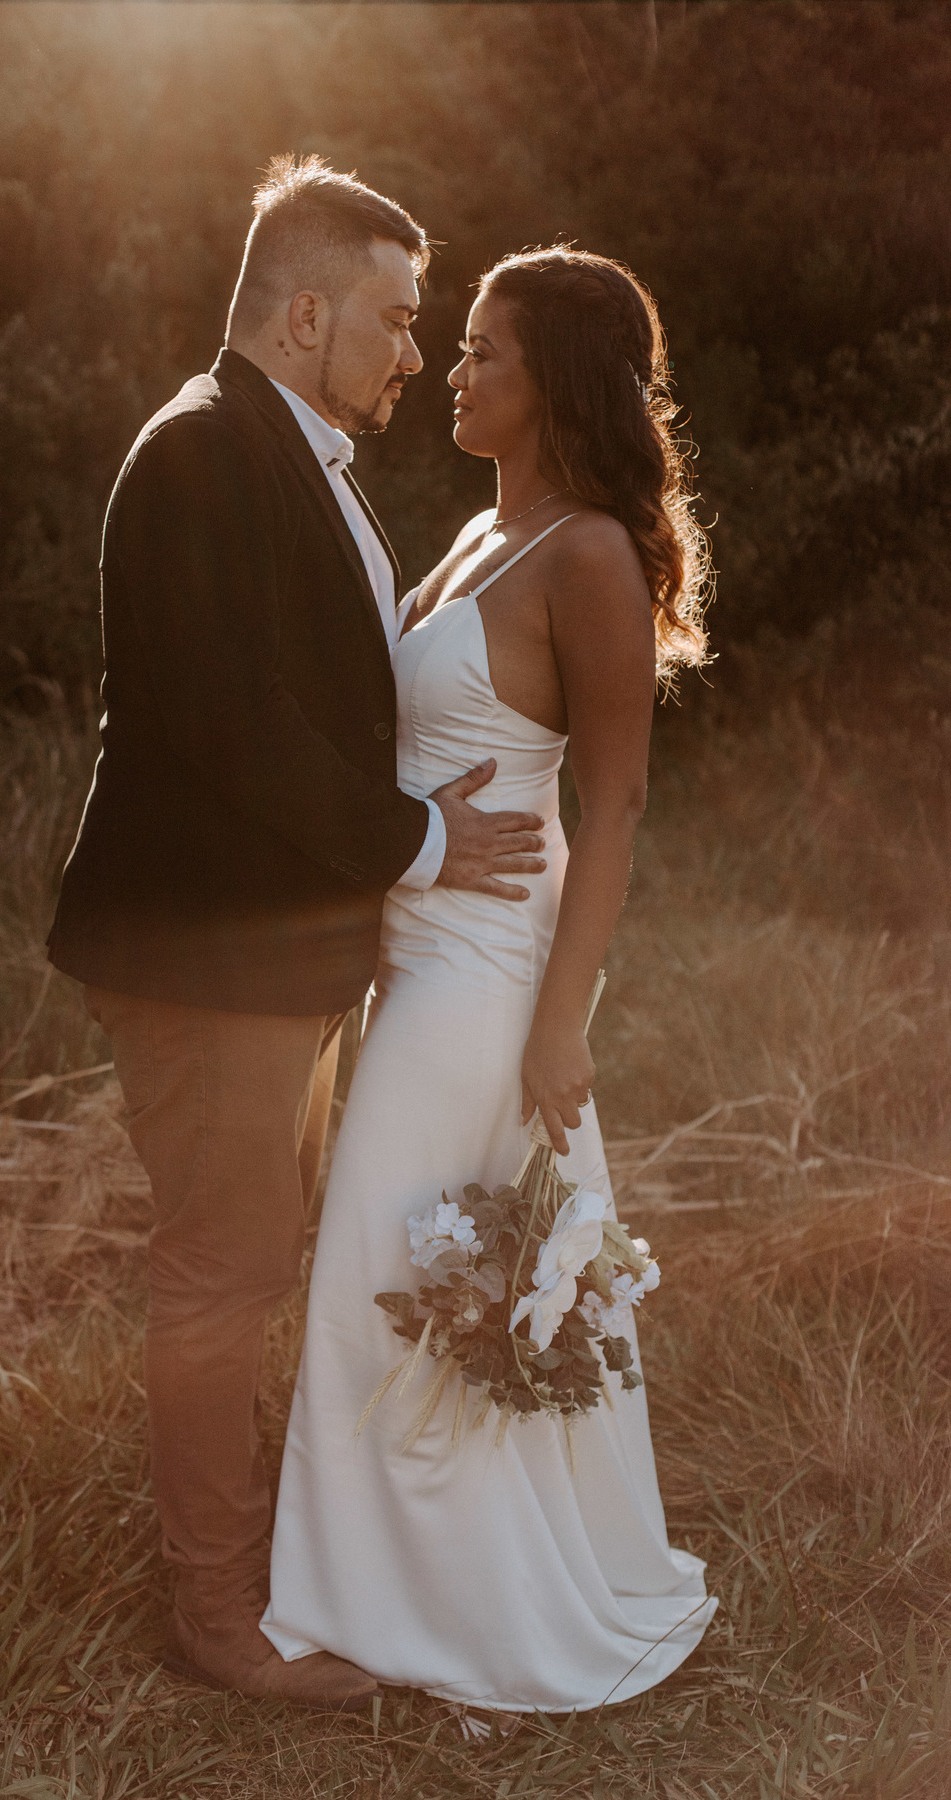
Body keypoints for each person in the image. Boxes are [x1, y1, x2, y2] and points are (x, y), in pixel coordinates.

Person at [45, 158, 547, 1710]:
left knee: (259, 1262)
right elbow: (229, 731)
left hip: (276, 957)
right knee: (221, 1271)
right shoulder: (199, 454)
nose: (417, 351)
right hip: (208, 961)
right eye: (398, 320)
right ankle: (215, 1621)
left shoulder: (292, 451)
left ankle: (272, 1556)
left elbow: (312, 705)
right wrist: (422, 840)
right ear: (307, 310)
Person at [262, 247, 719, 1711]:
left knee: (392, 1280)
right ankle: (398, 1584)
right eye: (455, 347)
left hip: (482, 982)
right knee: (407, 1278)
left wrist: (560, 1024)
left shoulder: (586, 555)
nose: (454, 372)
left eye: (485, 353)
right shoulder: (473, 535)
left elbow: (619, 804)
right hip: (405, 959)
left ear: (558, 382)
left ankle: (419, 1609)